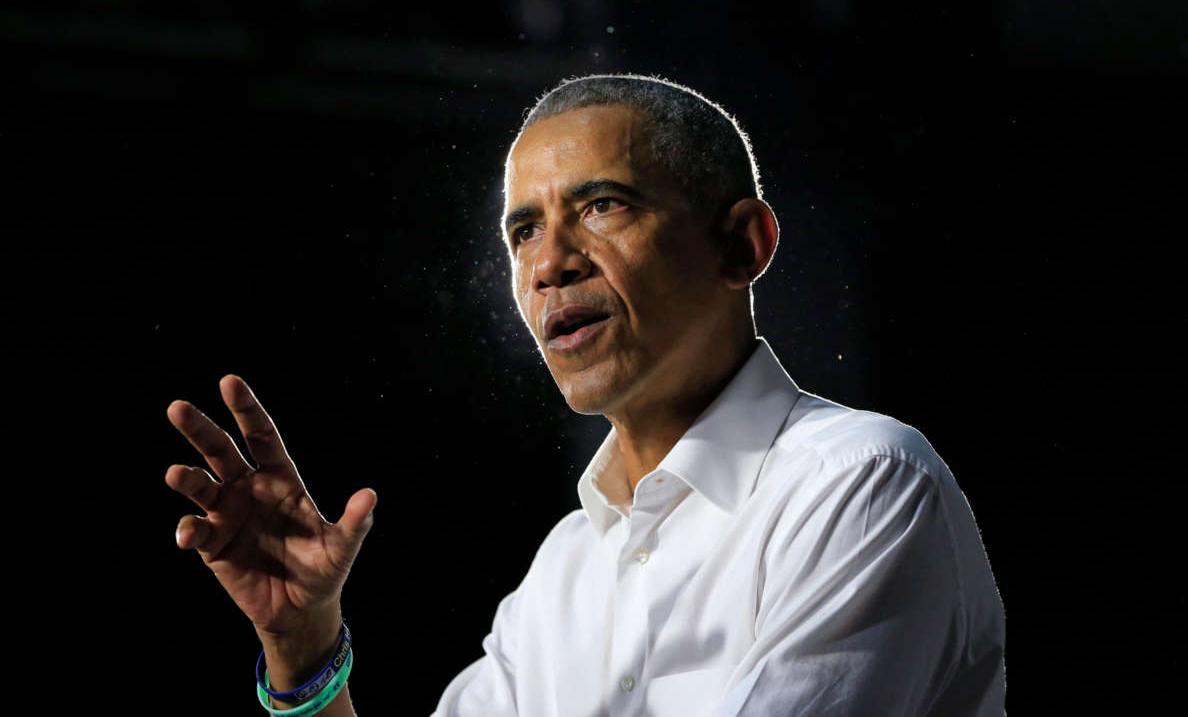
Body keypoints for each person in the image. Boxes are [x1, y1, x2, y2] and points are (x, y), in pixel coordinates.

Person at [165, 74, 1006, 716]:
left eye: (602, 205)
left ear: (742, 246)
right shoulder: (566, 570)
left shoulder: (857, 484)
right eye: (523, 229)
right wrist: (305, 646)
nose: (548, 263)